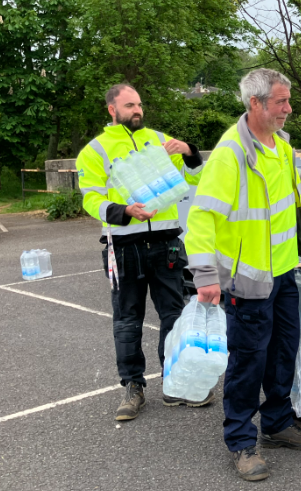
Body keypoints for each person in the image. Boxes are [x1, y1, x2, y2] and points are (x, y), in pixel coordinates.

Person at [185, 69, 301, 482]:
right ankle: (240, 441)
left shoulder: (280, 145)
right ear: (255, 104)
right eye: (281, 102)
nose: (288, 110)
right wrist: (205, 275)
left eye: (288, 102)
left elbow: (287, 178)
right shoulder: (231, 153)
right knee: (248, 361)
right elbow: (201, 216)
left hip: (284, 270)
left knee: (283, 351)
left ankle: (275, 424)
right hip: (248, 279)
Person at [76, 84, 211, 421]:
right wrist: (124, 211)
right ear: (112, 109)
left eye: (139, 104)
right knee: (127, 319)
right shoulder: (95, 151)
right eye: (129, 105)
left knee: (174, 316)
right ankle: (133, 386)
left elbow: (198, 180)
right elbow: (90, 199)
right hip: (124, 246)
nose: (137, 110)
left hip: (165, 242)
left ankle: (174, 381)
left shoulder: (160, 139)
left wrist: (191, 152)